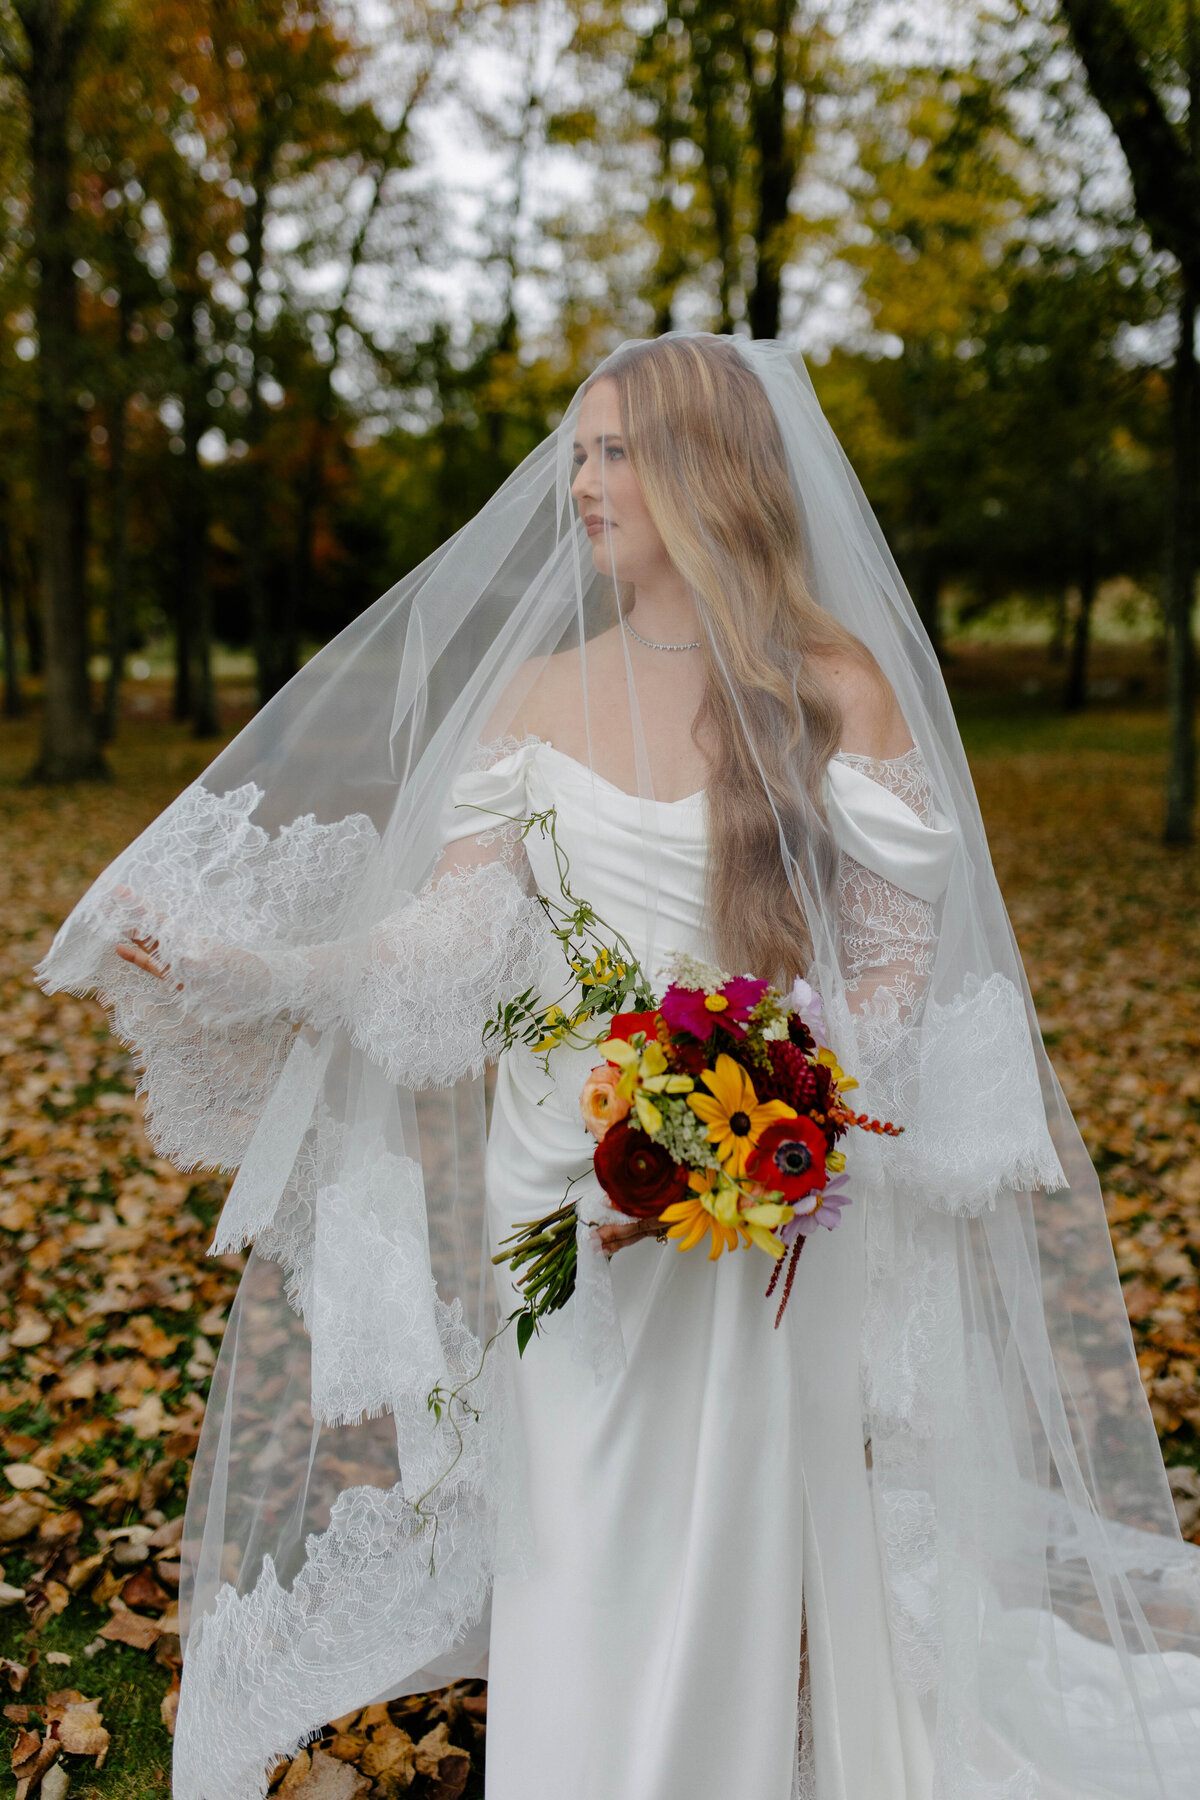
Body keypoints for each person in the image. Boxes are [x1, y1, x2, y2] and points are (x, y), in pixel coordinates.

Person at [37, 334, 1200, 1800]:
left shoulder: (835, 686)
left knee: (721, 1536)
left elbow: (890, 973)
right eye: (578, 453)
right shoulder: (533, 694)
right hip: (554, 1190)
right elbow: (448, 944)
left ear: (709, 471)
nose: (582, 484)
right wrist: (263, 971)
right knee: (573, 1534)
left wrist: (759, 1125)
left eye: (616, 454)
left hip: (751, 1205)